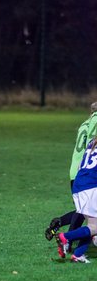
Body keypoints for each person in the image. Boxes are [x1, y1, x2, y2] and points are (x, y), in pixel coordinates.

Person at [45, 102, 97, 240]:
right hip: (86, 170)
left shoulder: (85, 123)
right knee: (85, 212)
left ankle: (61, 226)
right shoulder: (96, 121)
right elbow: (91, 144)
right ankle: (67, 239)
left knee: (83, 211)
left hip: (77, 170)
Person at [56, 136, 97, 263]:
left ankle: (78, 255)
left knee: (92, 226)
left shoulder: (93, 142)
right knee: (94, 228)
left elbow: (81, 165)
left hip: (79, 184)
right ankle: (65, 237)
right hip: (90, 187)